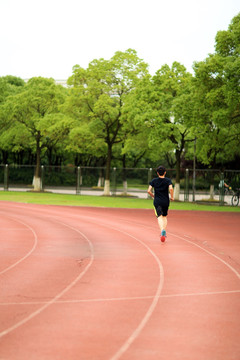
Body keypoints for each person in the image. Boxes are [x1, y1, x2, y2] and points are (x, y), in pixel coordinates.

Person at [147, 166, 174, 242]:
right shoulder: (168, 180)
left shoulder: (154, 181)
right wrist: (172, 197)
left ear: (157, 173)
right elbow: (171, 189)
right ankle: (164, 232)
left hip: (157, 201)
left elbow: (149, 191)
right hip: (166, 201)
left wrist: (153, 196)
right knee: (164, 216)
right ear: (165, 172)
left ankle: (162, 230)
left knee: (159, 216)